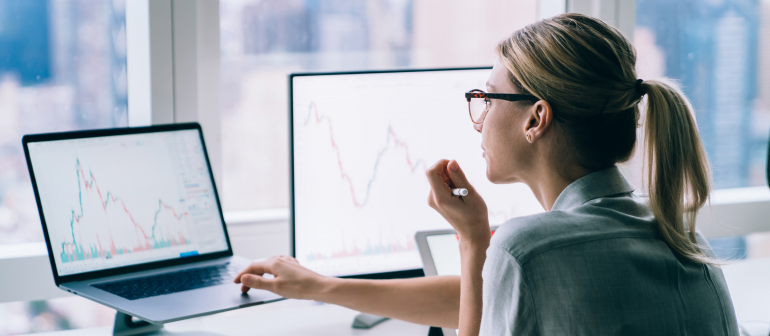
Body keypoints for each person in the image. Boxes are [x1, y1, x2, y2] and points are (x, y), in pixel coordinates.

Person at [234, 13, 739, 336]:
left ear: (535, 118)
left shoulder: (529, 248)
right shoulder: (679, 238)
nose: (478, 113)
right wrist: (324, 286)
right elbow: (496, 295)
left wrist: (480, 244)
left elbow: (508, 283)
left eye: (488, 97)